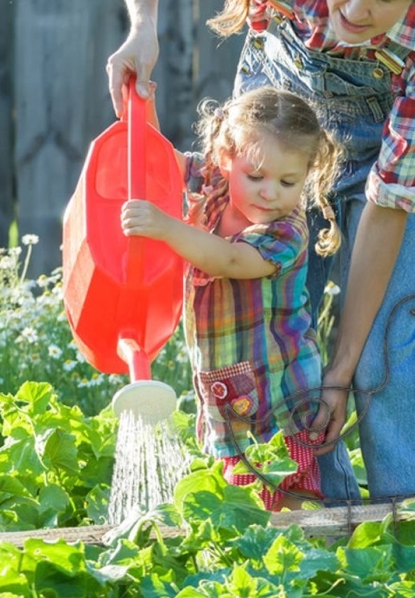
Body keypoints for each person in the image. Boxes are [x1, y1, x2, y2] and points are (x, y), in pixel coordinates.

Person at [107, 0, 415, 503]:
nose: (354, 9)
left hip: (391, 166)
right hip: (282, 152)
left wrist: (342, 370)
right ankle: (305, 501)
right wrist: (142, 28)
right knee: (265, 325)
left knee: (384, 338)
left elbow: (387, 205)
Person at [121, 85, 343, 511]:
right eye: (255, 176)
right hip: (228, 384)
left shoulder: (286, 231)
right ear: (226, 158)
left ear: (308, 173)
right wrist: (143, 103)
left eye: (288, 181)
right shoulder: (216, 185)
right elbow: (157, 161)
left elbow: (230, 259)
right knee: (240, 500)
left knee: (280, 493)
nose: (270, 192)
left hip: (277, 395)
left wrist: (166, 228)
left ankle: (297, 546)